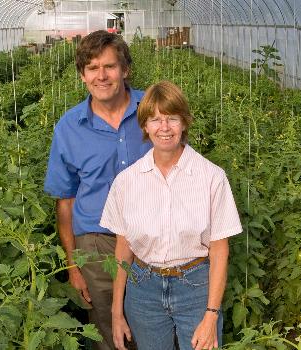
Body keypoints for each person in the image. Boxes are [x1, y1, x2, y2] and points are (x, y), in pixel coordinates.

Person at [100, 81, 242, 350]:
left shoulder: (211, 177)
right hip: (143, 289)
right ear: (144, 126)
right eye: (155, 120)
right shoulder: (127, 182)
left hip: (196, 288)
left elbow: (220, 250)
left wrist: (211, 316)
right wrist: (116, 311)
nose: (164, 128)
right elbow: (123, 249)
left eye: (172, 119)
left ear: (184, 123)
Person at [44, 30, 150, 350]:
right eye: (92, 68)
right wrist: (73, 266)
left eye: (109, 66)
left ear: (125, 69)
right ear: (82, 75)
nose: (101, 76)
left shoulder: (153, 110)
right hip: (96, 242)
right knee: (109, 331)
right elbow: (66, 201)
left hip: (153, 238)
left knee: (153, 323)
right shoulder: (69, 127)